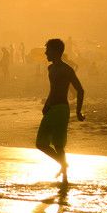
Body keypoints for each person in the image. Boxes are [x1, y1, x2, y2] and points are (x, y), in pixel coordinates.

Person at [36, 38, 85, 184]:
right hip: (51, 108)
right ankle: (63, 165)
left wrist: (78, 112)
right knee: (41, 144)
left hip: (62, 109)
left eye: (48, 50)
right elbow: (53, 89)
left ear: (56, 51)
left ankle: (65, 178)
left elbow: (80, 90)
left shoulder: (67, 69)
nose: (45, 53)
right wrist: (47, 104)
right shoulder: (50, 68)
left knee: (58, 144)